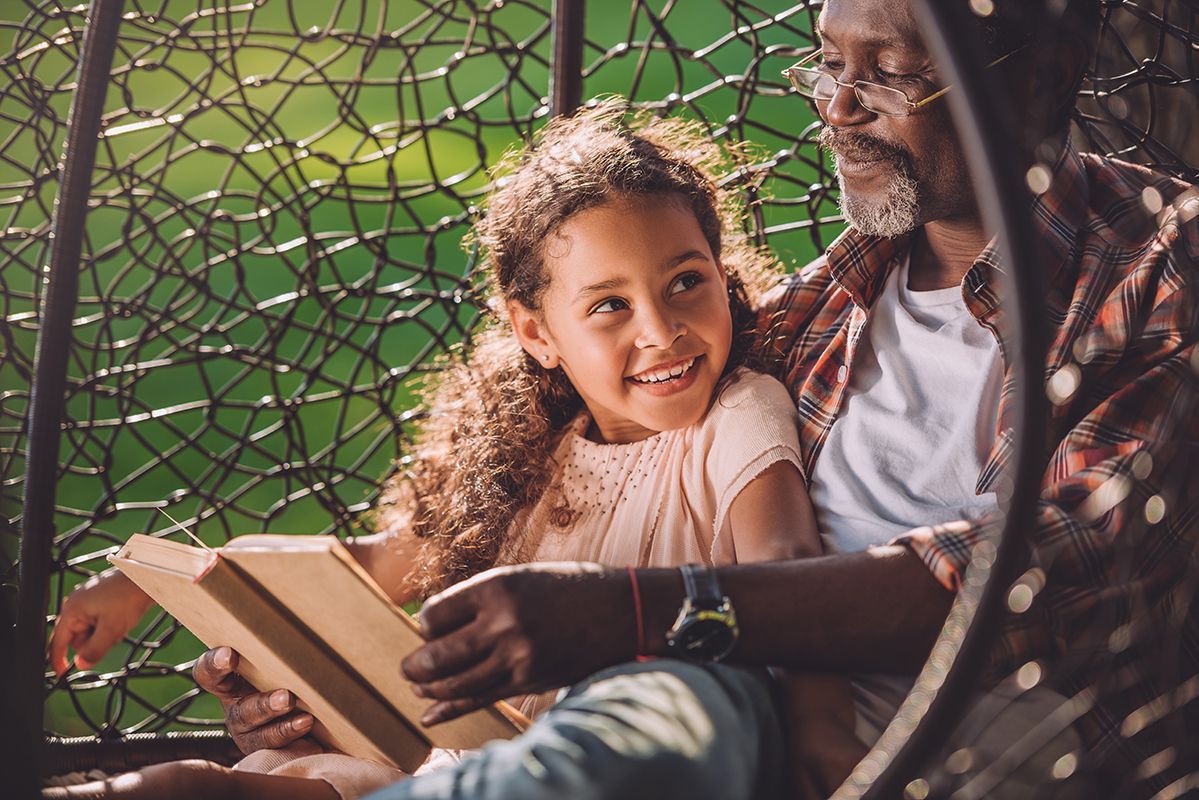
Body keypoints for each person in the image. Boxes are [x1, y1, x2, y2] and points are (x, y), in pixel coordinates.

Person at [253, 0, 1190, 797]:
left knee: (669, 703)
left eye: (892, 74)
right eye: (826, 65)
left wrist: (641, 611)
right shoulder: (817, 304)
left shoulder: (1159, 266)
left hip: (971, 720)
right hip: (726, 681)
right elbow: (589, 460)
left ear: (1041, 75)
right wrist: (319, 664)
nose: (839, 109)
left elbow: (1054, 565)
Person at [43, 101, 840, 800]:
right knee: (276, 773)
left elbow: (788, 579)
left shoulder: (737, 413)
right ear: (536, 332)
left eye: (685, 282)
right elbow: (366, 565)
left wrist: (822, 751)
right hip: (458, 765)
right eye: (608, 305)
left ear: (720, 273)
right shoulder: (535, 455)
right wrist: (150, 584)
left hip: (613, 759)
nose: (661, 331)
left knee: (233, 788)